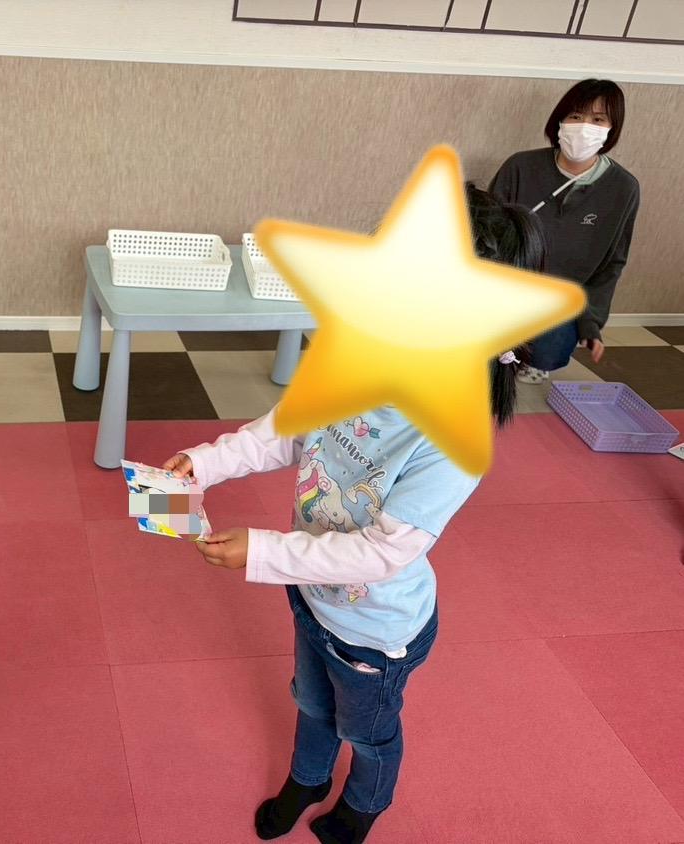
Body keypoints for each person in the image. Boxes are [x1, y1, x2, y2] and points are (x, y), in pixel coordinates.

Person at [162, 185, 540, 844]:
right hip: (312, 596)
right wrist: (206, 461)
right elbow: (283, 433)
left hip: (375, 634)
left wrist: (263, 551)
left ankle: (365, 803)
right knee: (310, 703)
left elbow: (383, 551)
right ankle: (308, 777)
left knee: (367, 734)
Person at [490, 78, 640, 385]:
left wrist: (591, 323)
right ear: (560, 120)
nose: (584, 127)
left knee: (551, 350)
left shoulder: (623, 188)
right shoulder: (520, 167)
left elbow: (612, 263)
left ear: (611, 128)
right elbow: (485, 233)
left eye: (598, 120)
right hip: (505, 286)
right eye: (575, 116)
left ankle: (533, 354)